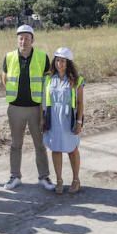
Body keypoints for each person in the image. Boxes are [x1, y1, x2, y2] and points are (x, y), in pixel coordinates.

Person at [1, 25, 55, 191]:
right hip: (15, 108)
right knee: (16, 144)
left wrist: (44, 111)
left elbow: (48, 83)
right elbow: (4, 78)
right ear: (17, 39)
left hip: (35, 108)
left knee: (39, 144)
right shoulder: (9, 57)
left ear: (32, 39)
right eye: (20, 38)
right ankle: (15, 176)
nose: (23, 41)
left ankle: (44, 177)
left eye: (26, 37)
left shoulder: (42, 57)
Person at [42, 48, 85, 194]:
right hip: (53, 118)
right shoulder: (48, 78)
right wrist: (43, 120)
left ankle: (76, 180)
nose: (60, 63)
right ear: (55, 62)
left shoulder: (77, 80)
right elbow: (43, 101)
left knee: (72, 149)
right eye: (58, 60)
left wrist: (79, 122)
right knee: (56, 148)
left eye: (63, 61)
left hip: (68, 119)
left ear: (68, 63)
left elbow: (80, 103)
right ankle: (59, 180)